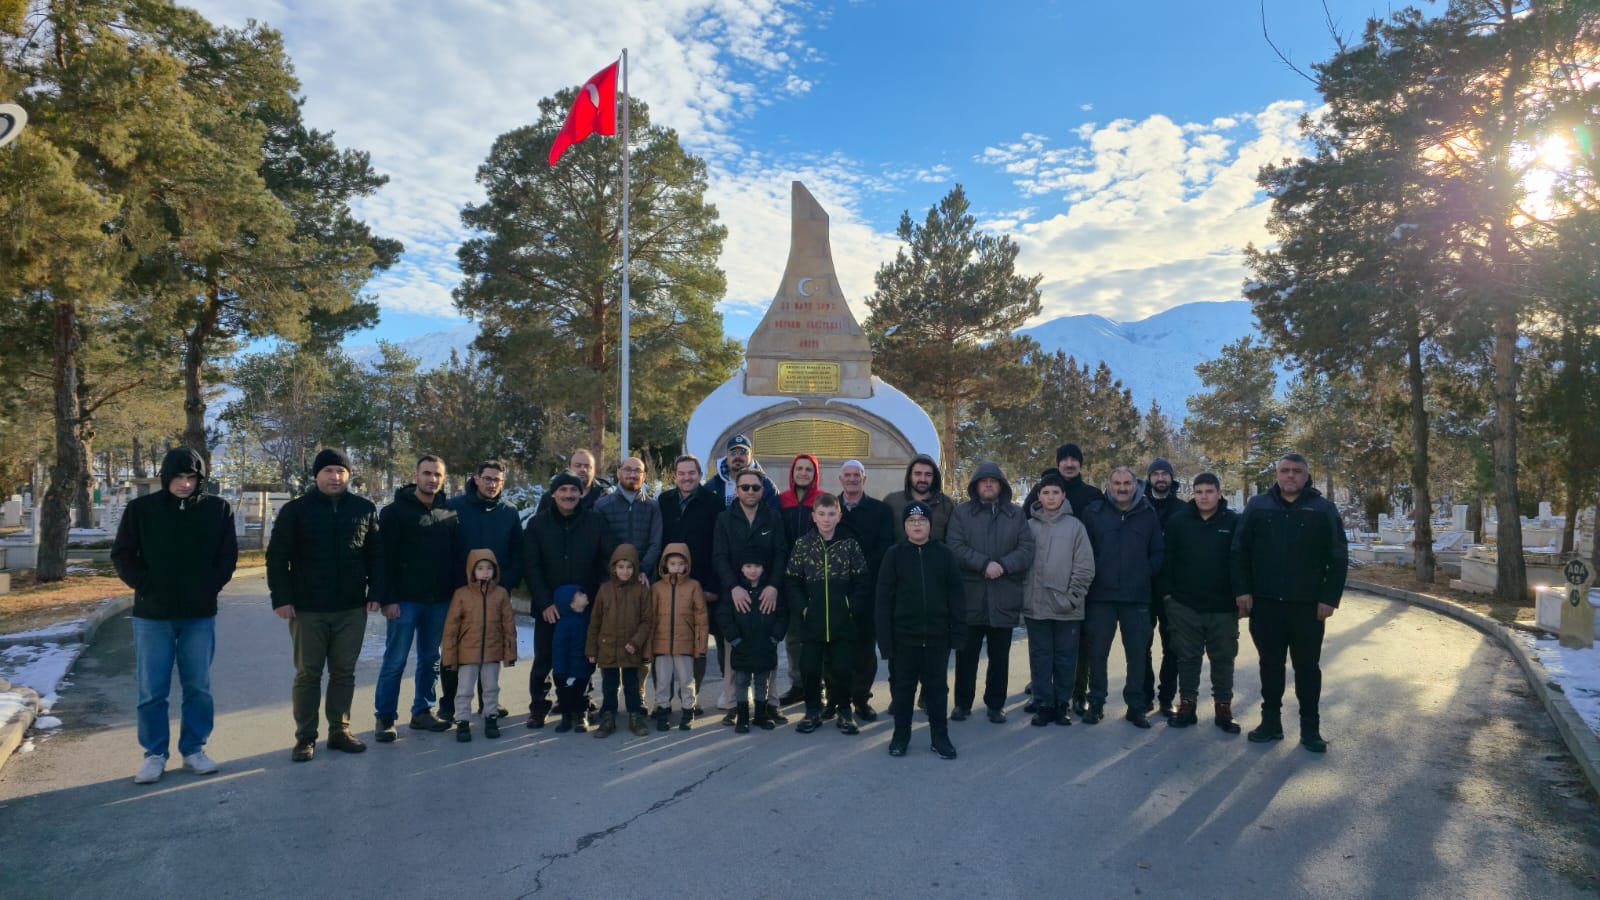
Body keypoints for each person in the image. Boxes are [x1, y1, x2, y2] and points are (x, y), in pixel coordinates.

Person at [111, 447, 238, 784]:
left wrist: (209, 587)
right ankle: (154, 754)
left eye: (191, 477)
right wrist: (146, 586)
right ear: (166, 477)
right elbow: (123, 554)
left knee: (198, 687)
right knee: (152, 689)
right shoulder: (141, 510)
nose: (185, 484)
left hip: (199, 616)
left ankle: (194, 749)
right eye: (179, 477)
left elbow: (227, 556)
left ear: (200, 479)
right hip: (153, 615)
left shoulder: (218, 509)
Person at [266, 448, 381, 762]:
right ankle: (305, 737)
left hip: (350, 608)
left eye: (341, 471)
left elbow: (375, 555)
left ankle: (340, 731)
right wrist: (282, 598)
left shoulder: (363, 509)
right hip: (308, 609)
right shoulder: (296, 511)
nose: (335, 477)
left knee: (344, 673)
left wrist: (376, 592)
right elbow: (277, 557)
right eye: (329, 471)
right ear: (316, 475)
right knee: (308, 675)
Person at [1232, 453, 1348, 753]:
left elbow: (1338, 557)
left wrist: (1329, 598)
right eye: (1285, 470)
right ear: (1277, 474)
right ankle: (1270, 723)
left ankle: (1310, 729)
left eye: (1297, 471)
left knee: (1307, 668)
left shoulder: (1322, 509)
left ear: (1306, 475)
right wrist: (1243, 591)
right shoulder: (1258, 506)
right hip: (1266, 604)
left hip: (1307, 606)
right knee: (1270, 665)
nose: (1290, 475)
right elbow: (1239, 550)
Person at [374, 456, 460, 742]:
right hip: (404, 601)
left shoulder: (449, 513)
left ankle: (422, 711)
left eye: (437, 475)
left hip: (439, 601)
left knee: (430, 658)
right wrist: (387, 598)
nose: (432, 479)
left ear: (443, 479)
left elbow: (454, 557)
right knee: (395, 660)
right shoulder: (394, 512)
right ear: (416, 476)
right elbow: (383, 559)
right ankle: (385, 717)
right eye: (427, 473)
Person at [524, 471, 616, 728]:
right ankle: (539, 706)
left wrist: (599, 596)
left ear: (581, 493)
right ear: (553, 494)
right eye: (562, 490)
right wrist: (544, 602)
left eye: (573, 490)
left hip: (583, 607)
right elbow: (531, 566)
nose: (568, 495)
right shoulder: (537, 525)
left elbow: (609, 557)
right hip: (549, 607)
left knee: (581, 658)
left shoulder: (595, 522)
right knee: (544, 658)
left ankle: (580, 704)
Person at [946, 460, 1034, 724]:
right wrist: (983, 564)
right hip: (971, 595)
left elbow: (1026, 549)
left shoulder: (1015, 515)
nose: (987, 485)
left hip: (1003, 595)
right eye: (983, 481)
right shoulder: (962, 513)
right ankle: (962, 703)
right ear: (975, 486)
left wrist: (1003, 566)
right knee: (966, 656)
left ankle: (996, 705)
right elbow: (955, 546)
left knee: (999, 657)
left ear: (1001, 486)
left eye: (992, 481)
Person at [875, 502, 964, 759]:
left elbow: (957, 596)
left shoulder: (944, 554)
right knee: (903, 689)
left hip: (937, 636)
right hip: (904, 637)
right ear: (904, 526)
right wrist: (885, 641)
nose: (917, 525)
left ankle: (940, 736)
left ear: (930, 525)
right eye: (911, 521)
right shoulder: (894, 555)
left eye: (922, 520)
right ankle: (900, 735)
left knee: (937, 690)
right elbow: (883, 600)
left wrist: (958, 633)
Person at [1079, 467, 1165, 728]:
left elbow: (1157, 551)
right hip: (1100, 596)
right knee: (1097, 653)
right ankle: (1096, 703)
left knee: (1137, 654)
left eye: (1127, 483)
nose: (1122, 488)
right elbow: (1084, 550)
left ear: (1135, 486)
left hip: (1136, 596)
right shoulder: (1094, 513)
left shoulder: (1148, 513)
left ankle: (1135, 707)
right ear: (1109, 485)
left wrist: (1145, 572)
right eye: (1117, 483)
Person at [1158, 473, 1242, 733]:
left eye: (1209, 491)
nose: (1204, 496)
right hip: (1184, 606)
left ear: (1219, 493)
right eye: (1199, 491)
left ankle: (1223, 707)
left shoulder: (1234, 522)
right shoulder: (1179, 521)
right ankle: (1187, 705)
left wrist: (1242, 595)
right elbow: (1166, 560)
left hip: (1223, 607)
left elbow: (1242, 561)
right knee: (1187, 658)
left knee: (1223, 659)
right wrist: (1168, 596)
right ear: (1192, 493)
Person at [785, 493, 871, 735]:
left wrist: (849, 606)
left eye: (831, 514)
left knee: (843, 668)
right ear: (813, 516)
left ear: (839, 516)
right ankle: (812, 710)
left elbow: (862, 580)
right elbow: (791, 580)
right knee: (809, 668)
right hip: (812, 621)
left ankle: (844, 711)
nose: (826, 519)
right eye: (821, 514)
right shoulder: (803, 544)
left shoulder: (849, 544)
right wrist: (803, 607)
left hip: (842, 621)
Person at [444, 460, 523, 721]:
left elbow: (517, 552)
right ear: (476, 479)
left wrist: (505, 583)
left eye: (497, 480)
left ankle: (488, 703)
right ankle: (449, 704)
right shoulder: (454, 507)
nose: (492, 484)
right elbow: (445, 548)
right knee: (457, 646)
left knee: (490, 647)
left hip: (495, 593)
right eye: (487, 478)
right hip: (460, 592)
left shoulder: (509, 512)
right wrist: (453, 583)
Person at [711, 469, 790, 725]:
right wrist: (733, 586)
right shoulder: (724, 519)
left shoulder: (773, 518)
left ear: (762, 490)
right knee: (734, 650)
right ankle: (735, 705)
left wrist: (774, 586)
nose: (750, 492)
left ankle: (770, 704)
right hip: (735, 594)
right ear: (737, 490)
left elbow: (781, 554)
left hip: (766, 593)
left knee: (768, 651)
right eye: (745, 487)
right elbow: (719, 556)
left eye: (755, 487)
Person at [1023, 471, 1096, 727]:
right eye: (1046, 493)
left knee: (1066, 658)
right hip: (1036, 605)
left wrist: (1072, 597)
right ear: (1039, 496)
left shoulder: (1075, 527)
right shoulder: (1028, 527)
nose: (1051, 497)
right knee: (1040, 657)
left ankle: (1062, 704)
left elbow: (1085, 567)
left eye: (1055, 492)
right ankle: (1044, 704)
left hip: (1067, 607)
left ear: (1063, 495)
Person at [658, 455, 722, 707]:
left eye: (691, 473)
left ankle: (690, 700)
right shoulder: (664, 501)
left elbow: (718, 547)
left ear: (699, 475)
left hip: (700, 584)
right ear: (675, 476)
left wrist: (713, 586)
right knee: (663, 643)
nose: (686, 478)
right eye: (682, 473)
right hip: (668, 585)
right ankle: (663, 701)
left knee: (697, 645)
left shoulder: (713, 503)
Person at [837, 460, 895, 722]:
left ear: (864, 479)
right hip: (835, 590)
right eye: (847, 475)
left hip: (868, 590)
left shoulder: (880, 511)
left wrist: (859, 571)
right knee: (836, 650)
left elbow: (885, 548)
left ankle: (861, 699)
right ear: (840, 479)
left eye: (856, 475)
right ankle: (837, 700)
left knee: (864, 650)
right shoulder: (830, 508)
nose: (852, 479)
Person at [442, 549, 517, 742]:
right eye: (480, 568)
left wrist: (510, 652)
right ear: (472, 570)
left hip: (492, 651)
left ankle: (491, 718)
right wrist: (449, 656)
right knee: (464, 690)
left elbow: (508, 624)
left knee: (491, 688)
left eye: (489, 568)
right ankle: (462, 722)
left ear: (495, 570)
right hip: (467, 653)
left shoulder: (500, 594)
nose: (485, 572)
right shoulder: (462, 594)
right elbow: (451, 627)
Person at [717, 546, 788, 733]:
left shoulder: (770, 592)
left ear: (763, 568)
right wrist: (735, 640)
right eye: (748, 566)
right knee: (741, 682)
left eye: (757, 566)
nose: (753, 570)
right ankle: (742, 717)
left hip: (765, 646)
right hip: (742, 647)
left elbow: (782, 615)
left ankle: (760, 715)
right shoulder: (734, 592)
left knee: (762, 683)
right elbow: (724, 616)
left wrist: (774, 638)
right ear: (741, 568)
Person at [586, 544, 655, 738]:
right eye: (621, 567)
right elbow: (595, 621)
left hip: (630, 649)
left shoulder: (641, 590)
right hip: (607, 647)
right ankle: (609, 717)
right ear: (613, 568)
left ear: (635, 568)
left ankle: (635, 716)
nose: (625, 571)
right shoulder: (604, 590)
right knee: (609, 685)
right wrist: (591, 649)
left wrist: (636, 642)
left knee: (632, 685)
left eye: (629, 567)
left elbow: (647, 620)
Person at [775, 453, 821, 708]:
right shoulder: (782, 500)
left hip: (814, 579)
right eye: (799, 468)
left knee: (816, 635)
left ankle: (818, 685)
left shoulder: (823, 500)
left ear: (815, 474)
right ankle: (798, 685)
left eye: (808, 469)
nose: (803, 473)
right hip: (789, 579)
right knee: (793, 637)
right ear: (792, 472)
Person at [648, 543, 708, 731]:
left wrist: (700, 645)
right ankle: (663, 711)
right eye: (673, 563)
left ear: (687, 565)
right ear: (665, 564)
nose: (676, 567)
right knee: (662, 681)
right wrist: (649, 646)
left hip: (685, 644)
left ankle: (688, 711)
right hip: (661, 644)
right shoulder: (657, 588)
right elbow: (650, 618)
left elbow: (701, 618)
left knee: (687, 680)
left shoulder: (693, 586)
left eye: (681, 564)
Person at [595, 457, 664, 578]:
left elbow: (655, 544)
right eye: (627, 469)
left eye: (637, 470)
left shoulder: (653, 507)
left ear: (644, 476)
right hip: (611, 579)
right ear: (618, 473)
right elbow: (599, 545)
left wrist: (641, 570)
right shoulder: (602, 506)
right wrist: (616, 572)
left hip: (643, 579)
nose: (632, 474)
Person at [550, 585, 595, 734]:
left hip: (584, 665)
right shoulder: (564, 623)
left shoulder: (589, 617)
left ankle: (582, 716)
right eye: (580, 595)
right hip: (567, 668)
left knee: (582, 693)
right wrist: (559, 670)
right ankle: (566, 717)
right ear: (571, 603)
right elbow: (559, 648)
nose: (585, 595)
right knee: (565, 694)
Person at [884, 453, 953, 543]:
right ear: (909, 476)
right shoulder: (892, 501)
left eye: (928, 474)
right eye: (918, 474)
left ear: (934, 477)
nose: (923, 479)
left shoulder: (945, 504)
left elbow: (952, 540)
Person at [704, 434, 780, 512]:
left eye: (743, 452)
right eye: (733, 452)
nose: (737, 456)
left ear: (751, 455)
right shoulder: (712, 486)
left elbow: (774, 516)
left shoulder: (766, 486)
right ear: (727, 456)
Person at [535, 448, 611, 515]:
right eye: (578, 465)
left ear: (594, 470)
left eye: (587, 466)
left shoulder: (606, 498)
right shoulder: (550, 498)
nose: (583, 470)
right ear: (569, 468)